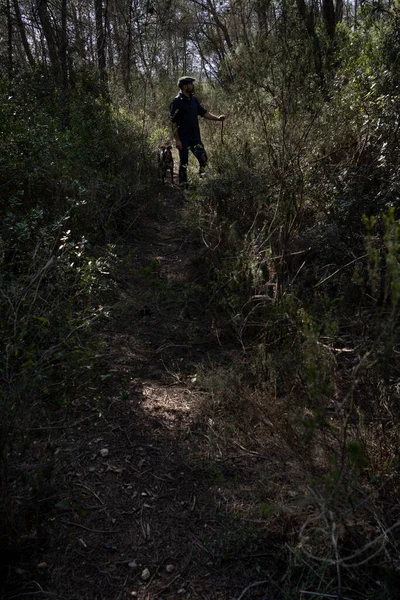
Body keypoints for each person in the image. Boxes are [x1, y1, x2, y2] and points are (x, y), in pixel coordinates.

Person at [170, 76, 225, 187]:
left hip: (195, 137)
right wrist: (177, 140)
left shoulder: (194, 100)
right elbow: (173, 122)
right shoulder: (176, 102)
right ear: (185, 86)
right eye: (190, 84)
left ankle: (203, 180)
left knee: (203, 158)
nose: (193, 85)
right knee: (184, 162)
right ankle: (183, 185)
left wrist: (218, 118)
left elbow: (204, 113)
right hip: (183, 138)